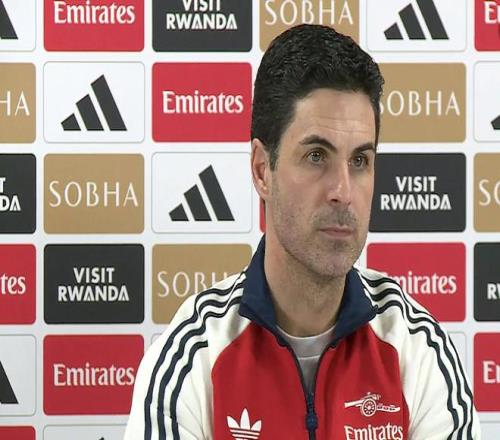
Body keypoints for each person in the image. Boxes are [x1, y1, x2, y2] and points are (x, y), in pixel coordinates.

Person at [125, 24, 480, 439]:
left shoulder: (418, 351)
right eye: (316, 156)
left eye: (360, 161)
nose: (342, 191)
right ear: (262, 170)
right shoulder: (193, 358)